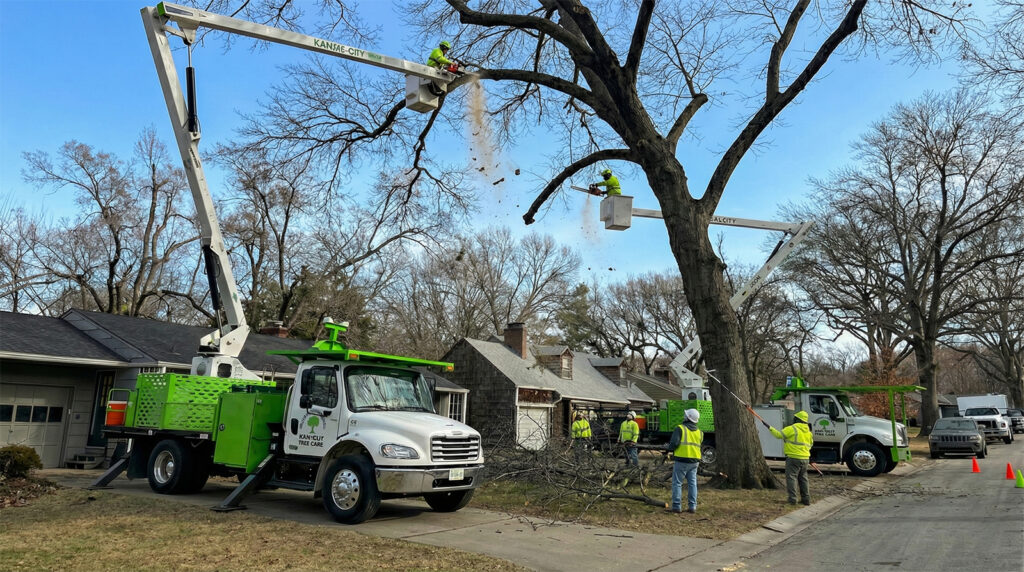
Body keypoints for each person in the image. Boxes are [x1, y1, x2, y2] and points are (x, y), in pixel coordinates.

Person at [762, 410, 814, 506]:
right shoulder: (808, 432)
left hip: (793, 458)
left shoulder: (792, 428)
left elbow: (778, 435)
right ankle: (806, 499)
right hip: (805, 458)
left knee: (792, 478)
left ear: (797, 419)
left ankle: (793, 499)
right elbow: (810, 445)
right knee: (803, 478)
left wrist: (769, 427)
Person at [665, 408, 702, 514]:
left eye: (685, 415)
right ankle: (692, 506)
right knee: (692, 484)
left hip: (682, 460)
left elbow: (674, 444)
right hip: (695, 461)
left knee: (677, 483)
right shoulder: (700, 432)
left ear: (688, 418)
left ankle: (676, 506)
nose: (684, 416)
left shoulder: (680, 428)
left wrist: (668, 448)